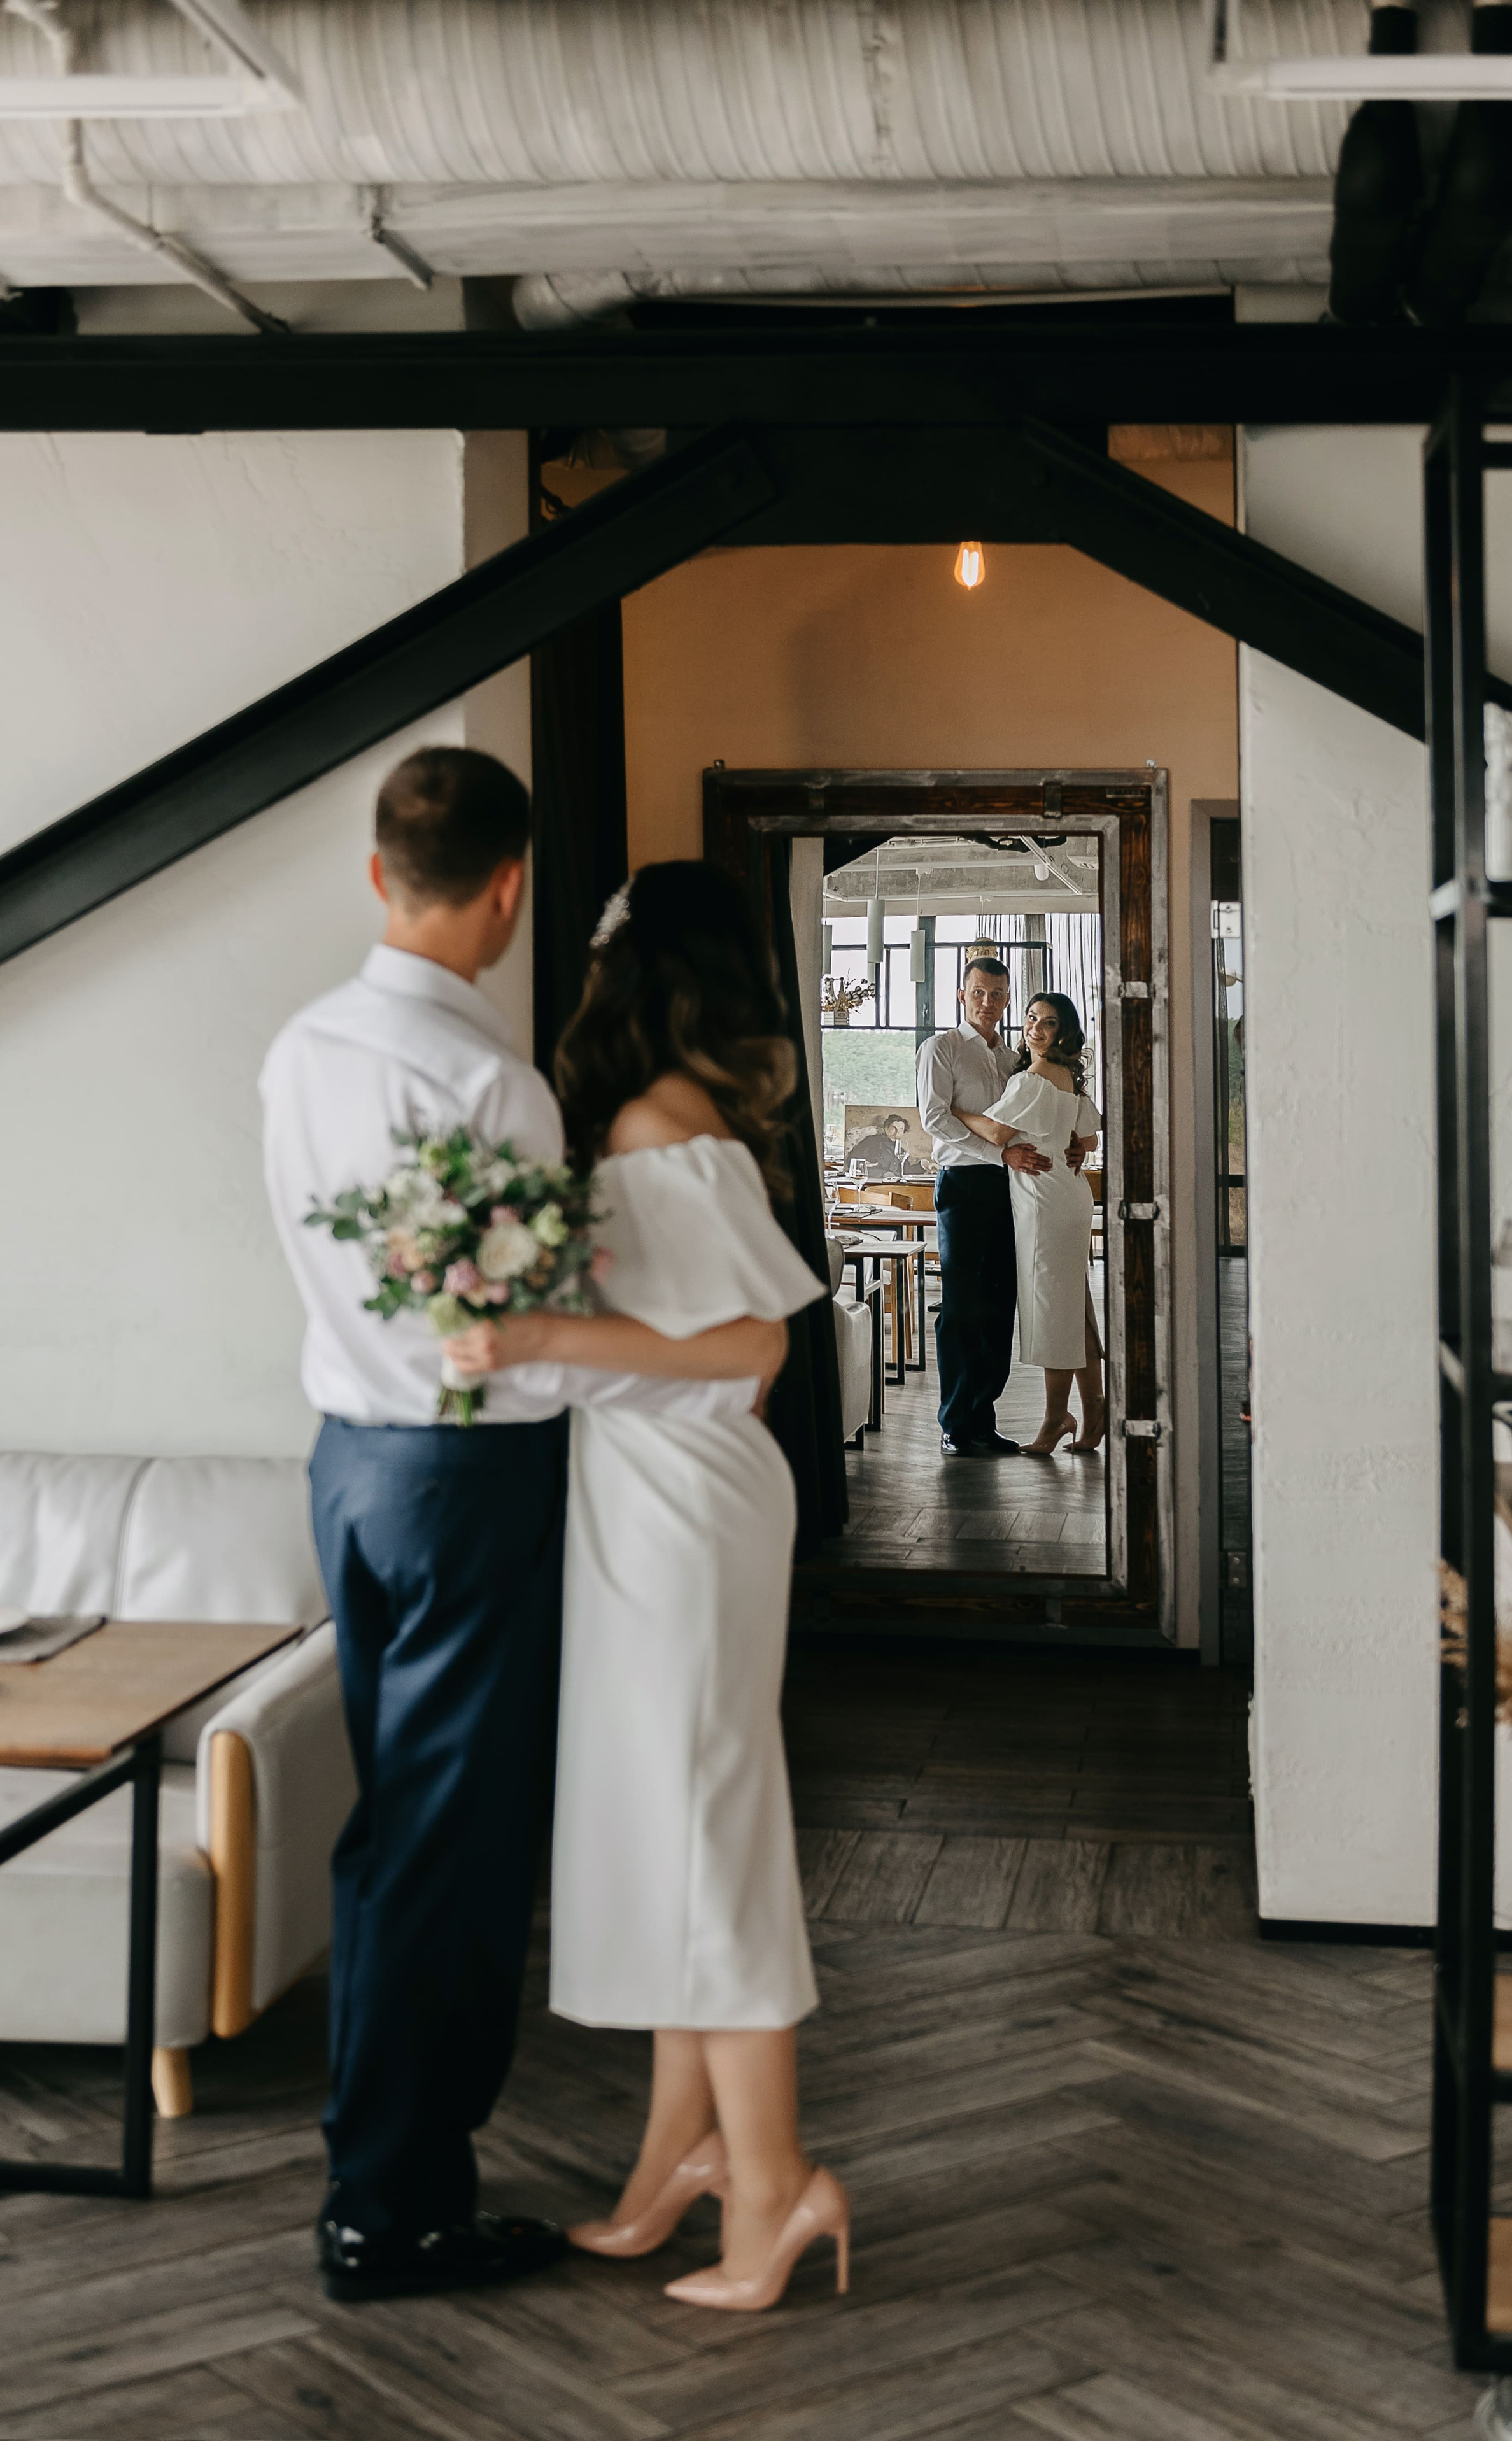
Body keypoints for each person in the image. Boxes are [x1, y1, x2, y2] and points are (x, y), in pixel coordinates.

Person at [260, 753, 774, 2305]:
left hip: (345, 1464)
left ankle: (372, 2162)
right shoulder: (493, 1083)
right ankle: (398, 2201)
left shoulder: (297, 1050)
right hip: (463, 1480)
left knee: (389, 1830)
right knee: (454, 1848)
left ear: (375, 874)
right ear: (504, 890)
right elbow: (522, 1326)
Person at [442, 861, 850, 2316]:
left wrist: (538, 1324)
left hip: (684, 1505)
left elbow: (748, 1346)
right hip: (655, 1497)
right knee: (678, 1827)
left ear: (634, 969)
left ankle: (774, 2183)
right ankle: (673, 2159)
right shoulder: (667, 1120)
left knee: (703, 1835)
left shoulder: (650, 1123)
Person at [918, 956, 1063, 1455]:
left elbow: (1032, 1115)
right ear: (962, 995)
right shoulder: (943, 1048)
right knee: (963, 1308)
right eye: (979, 992)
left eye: (998, 994)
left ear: (1007, 1000)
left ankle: (984, 1418)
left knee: (1001, 1306)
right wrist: (998, 1154)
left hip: (1016, 1188)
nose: (988, 1002)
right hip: (965, 1184)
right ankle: (956, 1425)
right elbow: (936, 1118)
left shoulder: (1013, 1057)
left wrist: (1069, 1141)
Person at [954, 991, 1105, 1455]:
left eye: (1049, 1023)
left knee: (1053, 1312)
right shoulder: (1070, 1080)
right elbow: (1092, 1139)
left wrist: (956, 1112)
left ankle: (1057, 1419)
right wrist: (1073, 1147)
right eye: (1031, 1018)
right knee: (1073, 1306)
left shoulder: (1032, 1079)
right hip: (1071, 1196)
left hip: (1045, 1204)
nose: (1035, 1029)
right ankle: (1095, 1408)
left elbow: (998, 1134)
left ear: (1064, 1032)